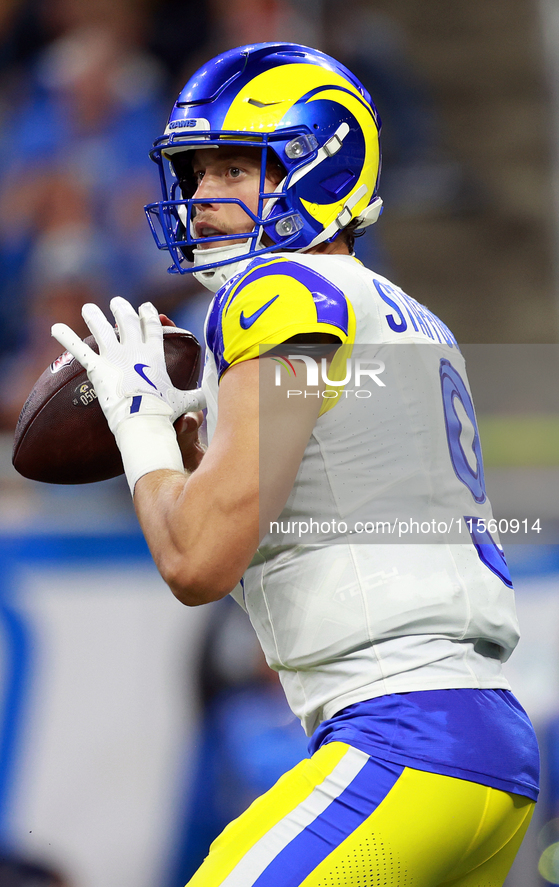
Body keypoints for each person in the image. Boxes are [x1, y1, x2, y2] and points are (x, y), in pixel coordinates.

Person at [51, 43, 539, 887]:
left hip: (401, 736)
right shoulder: (408, 315)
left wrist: (139, 429)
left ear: (322, 166)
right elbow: (309, 506)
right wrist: (187, 445)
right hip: (484, 744)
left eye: (236, 171)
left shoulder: (279, 293)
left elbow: (198, 560)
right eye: (198, 174)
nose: (202, 199)